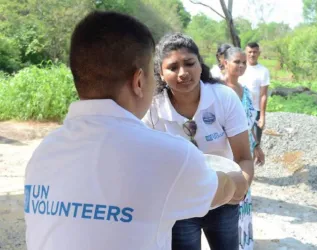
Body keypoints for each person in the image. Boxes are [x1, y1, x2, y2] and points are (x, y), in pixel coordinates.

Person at [24, 11, 247, 250]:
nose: (183, 73)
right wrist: (236, 180)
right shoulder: (171, 155)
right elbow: (228, 187)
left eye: (190, 64)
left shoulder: (42, 155)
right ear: (139, 81)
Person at [143, 33, 254, 250]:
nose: (183, 73)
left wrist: (240, 186)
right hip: (179, 203)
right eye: (173, 67)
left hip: (223, 196)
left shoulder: (224, 98)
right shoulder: (152, 109)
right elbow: (147, 165)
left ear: (200, 65)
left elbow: (243, 158)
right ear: (160, 73)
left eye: (189, 63)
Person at [223, 46, 266, 250]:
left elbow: (252, 121)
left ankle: (243, 243)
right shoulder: (218, 91)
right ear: (225, 63)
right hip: (224, 153)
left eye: (243, 62)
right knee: (226, 198)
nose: (240, 66)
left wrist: (257, 144)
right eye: (236, 62)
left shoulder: (246, 92)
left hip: (244, 154)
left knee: (243, 196)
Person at [239, 42, 270, 143]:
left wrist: (262, 116)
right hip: (238, 110)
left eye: (255, 52)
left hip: (255, 112)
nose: (252, 54)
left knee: (255, 142)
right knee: (240, 141)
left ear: (259, 53)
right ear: (246, 53)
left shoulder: (263, 71)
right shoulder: (239, 68)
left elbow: (263, 95)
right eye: (250, 52)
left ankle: (256, 158)